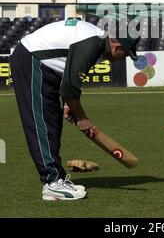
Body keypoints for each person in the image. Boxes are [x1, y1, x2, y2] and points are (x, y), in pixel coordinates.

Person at [10, 18, 139, 201]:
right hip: (32, 60)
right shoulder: (91, 44)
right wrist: (81, 117)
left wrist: (68, 105)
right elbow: (69, 88)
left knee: (52, 123)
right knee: (42, 124)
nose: (122, 59)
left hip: (44, 66)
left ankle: (57, 178)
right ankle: (52, 183)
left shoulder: (95, 41)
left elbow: (68, 78)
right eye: (126, 55)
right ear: (118, 47)